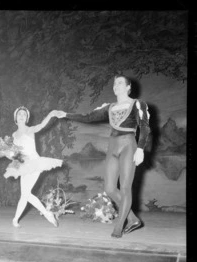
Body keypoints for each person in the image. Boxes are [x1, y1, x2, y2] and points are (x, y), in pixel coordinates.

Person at [55, 75, 150, 238]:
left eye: (120, 83)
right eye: (114, 83)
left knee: (126, 187)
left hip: (129, 145)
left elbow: (145, 127)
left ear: (128, 87)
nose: (116, 85)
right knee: (110, 189)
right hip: (112, 145)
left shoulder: (137, 104)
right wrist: (65, 114)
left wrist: (140, 149)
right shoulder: (109, 107)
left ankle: (119, 227)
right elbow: (88, 117)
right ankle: (133, 219)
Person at [0, 106, 63, 228]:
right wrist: (3, 152)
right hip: (23, 164)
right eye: (19, 114)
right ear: (15, 118)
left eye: (24, 114)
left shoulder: (30, 130)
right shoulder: (14, 134)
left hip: (34, 163)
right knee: (25, 194)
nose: (21, 116)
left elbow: (42, 125)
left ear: (27, 118)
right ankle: (18, 219)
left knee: (25, 194)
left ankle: (44, 214)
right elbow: (16, 155)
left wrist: (52, 113)